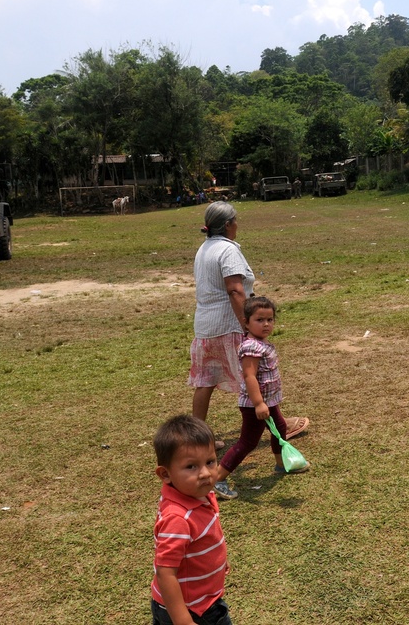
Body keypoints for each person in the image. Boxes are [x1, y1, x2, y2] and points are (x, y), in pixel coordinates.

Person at [189, 202, 308, 449]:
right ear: (229, 224)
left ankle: (196, 438)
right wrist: (246, 323)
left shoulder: (205, 248)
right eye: (236, 221)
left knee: (205, 380)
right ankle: (281, 424)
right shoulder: (227, 250)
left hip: (205, 325)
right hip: (230, 323)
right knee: (257, 376)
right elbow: (234, 289)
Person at [212, 296, 308, 500]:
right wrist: (258, 404)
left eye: (270, 319)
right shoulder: (251, 347)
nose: (266, 324)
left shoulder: (261, 343)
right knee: (247, 442)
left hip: (268, 401)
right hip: (255, 404)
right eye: (259, 320)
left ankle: (281, 464)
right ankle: (217, 480)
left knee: (280, 428)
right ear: (246, 322)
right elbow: (249, 376)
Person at [151, 415, 232, 625]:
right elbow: (165, 572)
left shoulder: (197, 495)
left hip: (201, 599)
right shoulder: (177, 518)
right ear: (165, 474)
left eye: (210, 462)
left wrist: (217, 559)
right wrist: (183, 621)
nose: (205, 473)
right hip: (193, 609)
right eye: (191, 467)